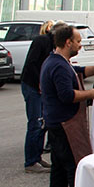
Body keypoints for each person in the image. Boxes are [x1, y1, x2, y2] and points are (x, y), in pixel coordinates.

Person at [40, 24, 94, 187]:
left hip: (56, 121)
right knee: (73, 165)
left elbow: (78, 71)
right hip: (64, 122)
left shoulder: (58, 61)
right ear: (68, 42)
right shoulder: (58, 66)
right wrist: (91, 93)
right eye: (78, 41)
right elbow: (67, 95)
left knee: (59, 165)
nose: (80, 45)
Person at [20, 20, 55, 173]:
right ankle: (31, 162)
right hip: (32, 85)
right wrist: (40, 83)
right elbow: (32, 63)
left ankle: (37, 156)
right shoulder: (41, 41)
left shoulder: (52, 45)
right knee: (35, 123)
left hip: (39, 87)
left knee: (42, 123)